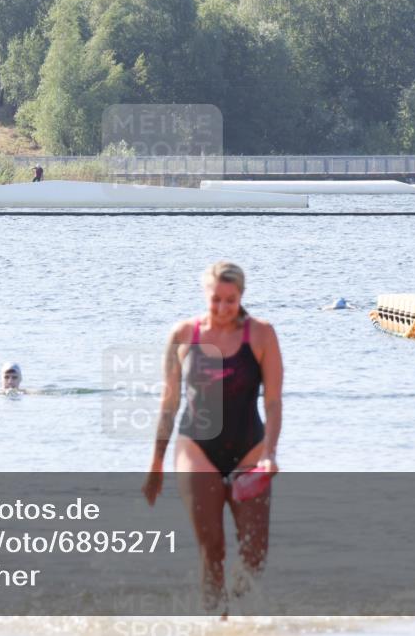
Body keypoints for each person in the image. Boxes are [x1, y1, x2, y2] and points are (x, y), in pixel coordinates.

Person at [142, 261, 282, 615]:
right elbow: (169, 402)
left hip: (250, 448)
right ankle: (214, 622)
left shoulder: (261, 334)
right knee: (212, 548)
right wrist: (156, 462)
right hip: (196, 448)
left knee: (255, 554)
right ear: (205, 295)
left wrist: (270, 452)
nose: (222, 308)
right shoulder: (183, 334)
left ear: (241, 296)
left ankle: (236, 614)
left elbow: (273, 401)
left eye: (230, 300)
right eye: (215, 299)